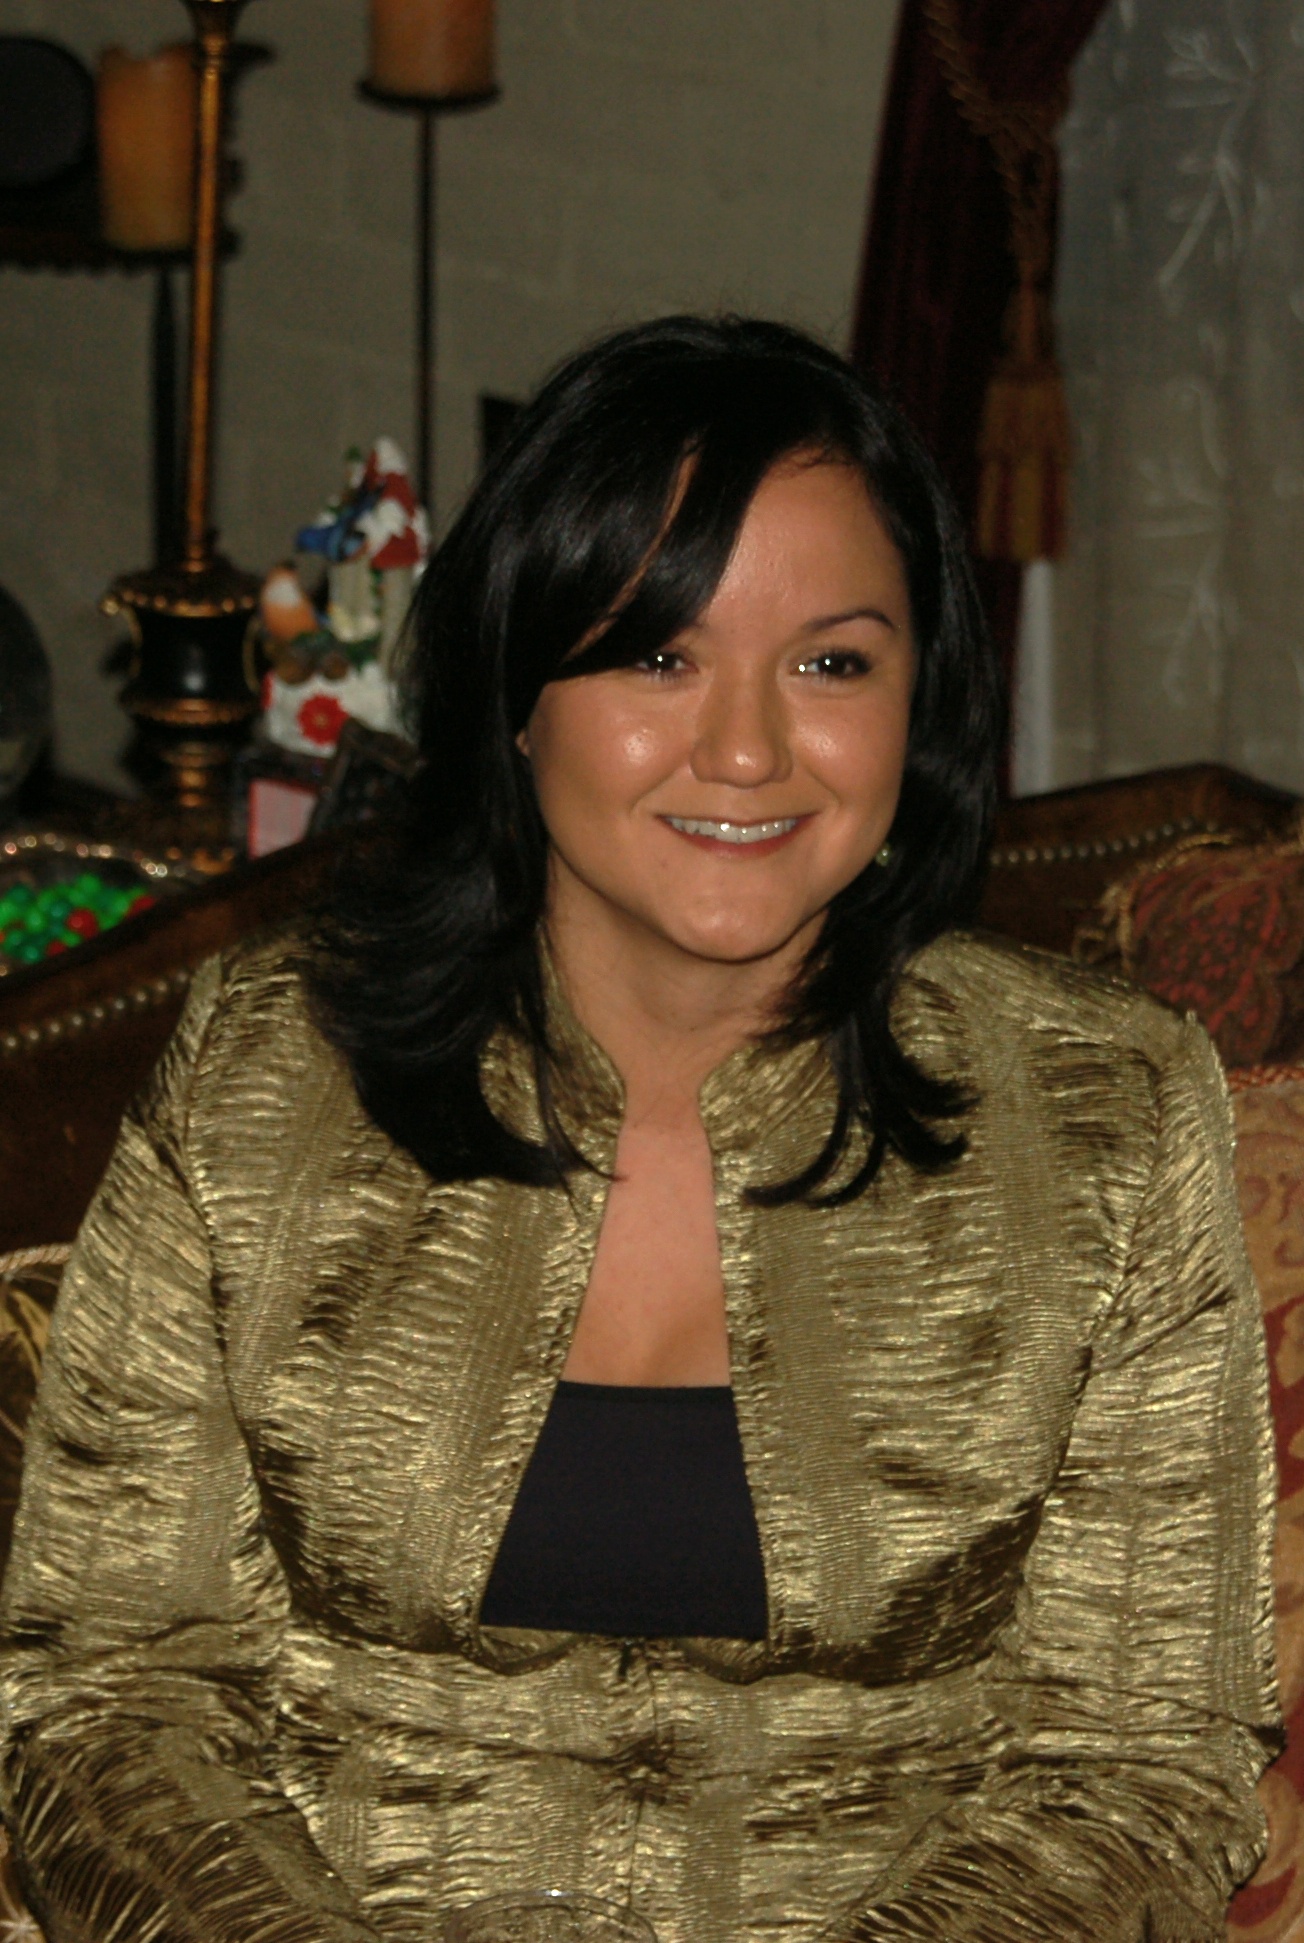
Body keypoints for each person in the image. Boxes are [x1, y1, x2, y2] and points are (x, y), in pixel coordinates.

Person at [0, 317, 1280, 1943]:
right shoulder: (264, 1075)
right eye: (657, 656)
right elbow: (114, 1691)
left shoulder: (1104, 1114)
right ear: (516, 694)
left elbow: (1140, 1758)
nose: (745, 749)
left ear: (923, 700)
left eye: (832, 663)